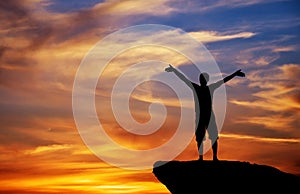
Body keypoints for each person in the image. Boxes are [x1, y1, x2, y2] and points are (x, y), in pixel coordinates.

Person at [165, 64, 245, 161]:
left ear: (206, 80)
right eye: (200, 78)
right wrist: (174, 70)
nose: (201, 80)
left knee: (213, 137)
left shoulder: (210, 88)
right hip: (200, 116)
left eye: (203, 79)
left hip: (209, 116)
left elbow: (224, 81)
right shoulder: (197, 88)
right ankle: (201, 157)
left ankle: (214, 157)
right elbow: (184, 79)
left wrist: (235, 74)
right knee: (200, 138)